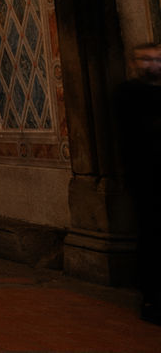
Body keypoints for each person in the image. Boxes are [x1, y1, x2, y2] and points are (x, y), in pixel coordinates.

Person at [114, 42, 161, 325]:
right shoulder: (127, 94)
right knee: (151, 236)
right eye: (146, 59)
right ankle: (151, 297)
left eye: (157, 59)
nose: (152, 64)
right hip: (146, 180)